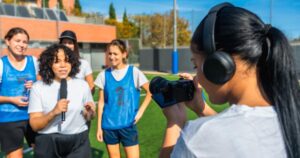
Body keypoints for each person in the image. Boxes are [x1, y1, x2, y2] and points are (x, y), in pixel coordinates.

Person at [159, 2, 300, 158]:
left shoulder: (197, 138)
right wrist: (202, 109)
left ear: (219, 64)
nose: (197, 76)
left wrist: (175, 123)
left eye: (195, 65)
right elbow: (241, 133)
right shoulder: (290, 115)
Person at [28, 44, 96, 158]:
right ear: (49, 64)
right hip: (48, 141)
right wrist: (53, 113)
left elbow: (89, 117)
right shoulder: (38, 87)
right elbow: (34, 125)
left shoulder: (83, 85)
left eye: (67, 61)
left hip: (78, 141)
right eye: (57, 61)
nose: (63, 65)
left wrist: (90, 113)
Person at [95, 39, 152, 158]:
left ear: (124, 54)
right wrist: (99, 127)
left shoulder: (134, 72)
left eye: (115, 54)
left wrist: (140, 112)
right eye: (110, 53)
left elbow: (150, 91)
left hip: (128, 126)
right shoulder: (103, 75)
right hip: (109, 127)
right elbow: (101, 103)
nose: (112, 57)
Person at [0, 27, 39, 158]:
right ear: (7, 41)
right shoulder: (1, 64)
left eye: (25, 42)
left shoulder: (33, 61)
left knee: (44, 152)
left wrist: (35, 86)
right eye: (18, 41)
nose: (21, 45)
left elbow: (43, 87)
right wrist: (12, 99)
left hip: (34, 116)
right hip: (9, 118)